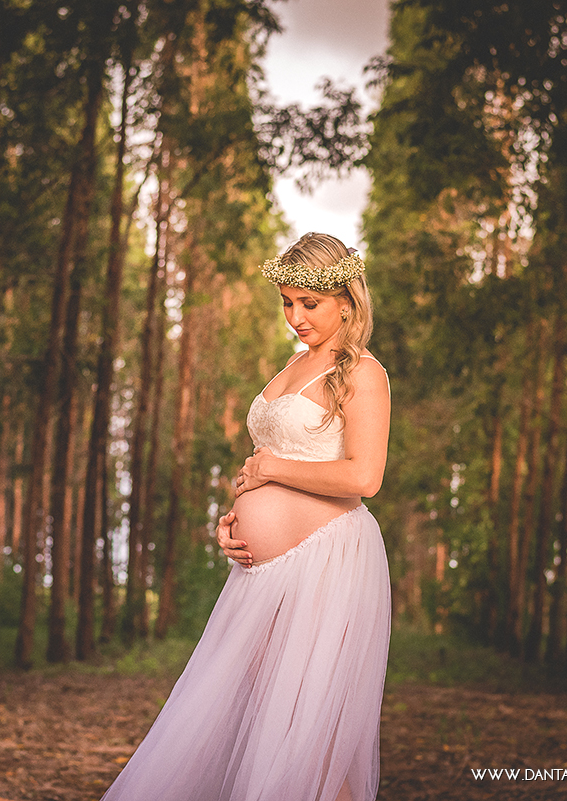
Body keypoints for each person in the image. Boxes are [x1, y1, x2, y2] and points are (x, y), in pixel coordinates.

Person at [100, 233, 392, 801]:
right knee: (254, 718)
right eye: (287, 302)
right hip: (262, 573)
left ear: (347, 302)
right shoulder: (294, 363)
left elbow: (363, 478)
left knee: (314, 732)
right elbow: (265, 468)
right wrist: (234, 523)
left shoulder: (362, 374)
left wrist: (271, 473)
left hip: (327, 566)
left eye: (309, 303)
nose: (295, 316)